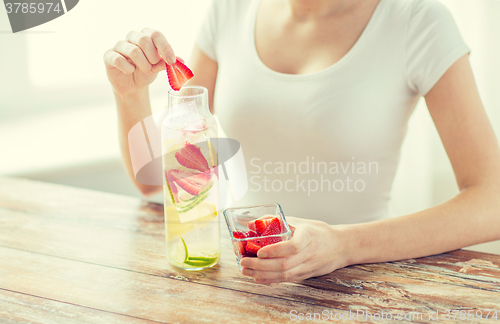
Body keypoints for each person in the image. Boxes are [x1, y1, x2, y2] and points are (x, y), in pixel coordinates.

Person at [103, 0, 500, 284]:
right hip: (245, 280)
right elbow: (157, 179)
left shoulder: (417, 20)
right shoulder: (229, 10)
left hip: (363, 284)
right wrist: (130, 94)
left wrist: (343, 245)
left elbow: (492, 201)